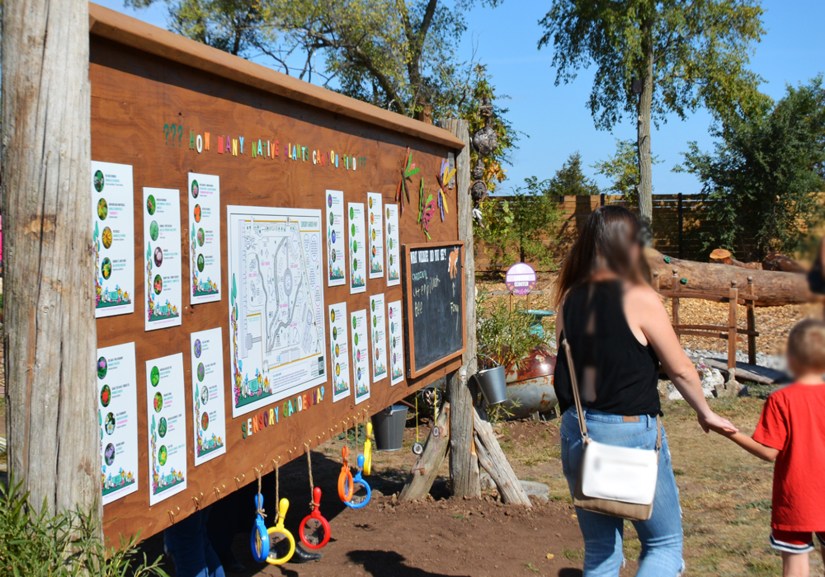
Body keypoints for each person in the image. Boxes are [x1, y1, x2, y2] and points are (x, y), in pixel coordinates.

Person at [553, 205, 737, 577]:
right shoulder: (638, 297)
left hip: (580, 431)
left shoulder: (569, 298)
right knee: (664, 545)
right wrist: (706, 411)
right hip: (629, 433)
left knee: (602, 551)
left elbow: (562, 373)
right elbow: (681, 369)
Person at [718, 319, 825, 577]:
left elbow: (768, 452)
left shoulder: (781, 400)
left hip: (795, 501)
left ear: (790, 358)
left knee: (795, 569)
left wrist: (731, 432)